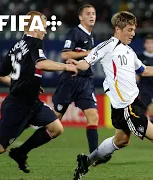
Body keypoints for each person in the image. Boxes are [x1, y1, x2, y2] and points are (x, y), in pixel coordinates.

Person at [69, 11, 153, 180]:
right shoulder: (107, 46)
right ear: (118, 28)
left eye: (134, 30)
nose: (133, 33)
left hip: (133, 103)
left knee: (121, 141)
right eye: (129, 29)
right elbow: (86, 63)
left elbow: (144, 70)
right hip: (126, 108)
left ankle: (86, 161)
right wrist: (75, 65)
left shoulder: (129, 51)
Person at [0, 11, 78, 173]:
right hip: (17, 105)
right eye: (43, 25)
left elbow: (0, 76)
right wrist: (66, 66)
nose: (46, 29)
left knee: (56, 128)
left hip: (33, 102)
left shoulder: (17, 45)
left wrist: (24, 83)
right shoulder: (34, 42)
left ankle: (20, 152)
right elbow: (41, 64)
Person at [52, 4, 111, 165]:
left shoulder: (90, 36)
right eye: (88, 13)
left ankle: (94, 157)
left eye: (94, 13)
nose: (92, 16)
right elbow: (65, 54)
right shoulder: (75, 33)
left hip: (85, 81)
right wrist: (88, 53)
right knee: (54, 121)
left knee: (93, 116)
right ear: (80, 17)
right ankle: (24, 147)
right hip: (70, 81)